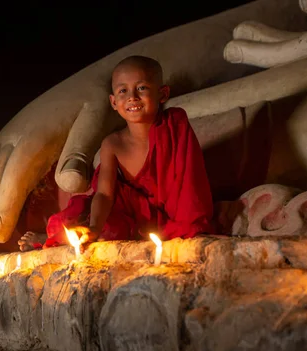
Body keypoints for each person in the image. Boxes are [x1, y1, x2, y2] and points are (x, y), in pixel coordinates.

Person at [18, 55, 214, 251]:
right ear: (113, 102)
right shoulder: (113, 143)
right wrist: (94, 227)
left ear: (162, 94)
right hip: (133, 214)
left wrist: (187, 222)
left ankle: (63, 238)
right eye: (123, 91)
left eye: (142, 88)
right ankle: (50, 239)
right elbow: (104, 194)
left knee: (191, 226)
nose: (132, 97)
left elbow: (191, 178)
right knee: (82, 221)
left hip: (171, 216)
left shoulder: (175, 125)